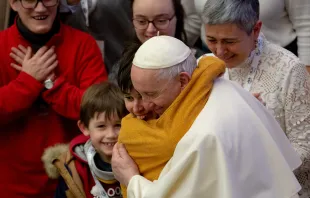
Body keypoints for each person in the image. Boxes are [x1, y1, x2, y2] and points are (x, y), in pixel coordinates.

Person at [111, 35, 302, 198]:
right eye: (139, 94)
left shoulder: (201, 135)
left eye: (151, 94)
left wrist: (131, 179)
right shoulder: (226, 88)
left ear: (183, 80)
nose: (145, 104)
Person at [200, 0, 310, 196]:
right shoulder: (204, 66)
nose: (219, 51)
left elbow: (305, 151)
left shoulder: (289, 70)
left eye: (229, 41)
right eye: (211, 39)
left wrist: (260, 126)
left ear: (256, 29)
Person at [0, 0, 107, 197]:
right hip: (10, 186)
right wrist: (28, 81)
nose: (41, 8)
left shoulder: (83, 45)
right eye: (30, 0)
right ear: (13, 3)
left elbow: (98, 111)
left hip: (74, 183)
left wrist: (50, 83)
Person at [42, 82, 127, 198]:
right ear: (84, 128)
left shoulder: (141, 159)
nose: (111, 134)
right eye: (101, 126)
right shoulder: (73, 169)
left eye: (118, 125)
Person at [190, 0, 310, 70]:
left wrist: (306, 72)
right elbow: (191, 17)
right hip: (211, 56)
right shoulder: (213, 54)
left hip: (275, 63)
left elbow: (306, 24)